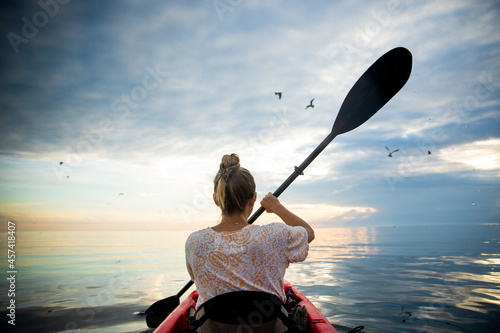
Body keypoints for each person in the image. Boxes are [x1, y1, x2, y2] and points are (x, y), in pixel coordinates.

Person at [185, 153, 314, 332]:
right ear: (253, 198)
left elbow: (195, 278)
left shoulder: (195, 242)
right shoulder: (275, 235)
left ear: (216, 199)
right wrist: (277, 207)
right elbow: (309, 233)